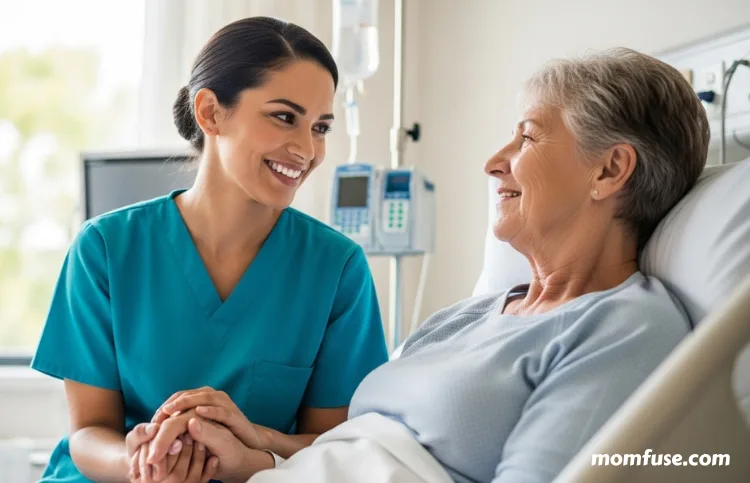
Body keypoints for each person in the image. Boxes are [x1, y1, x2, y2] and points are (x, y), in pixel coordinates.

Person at [138, 47, 710, 483]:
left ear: (609, 170)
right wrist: (254, 447)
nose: (494, 163)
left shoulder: (623, 327)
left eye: (528, 137)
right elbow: (366, 444)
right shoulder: (470, 316)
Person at [31, 16, 389, 483]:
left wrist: (250, 444)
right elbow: (88, 432)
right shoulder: (104, 249)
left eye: (320, 127)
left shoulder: (336, 269)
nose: (307, 149)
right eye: (284, 117)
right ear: (210, 113)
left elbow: (333, 446)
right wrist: (144, 463)